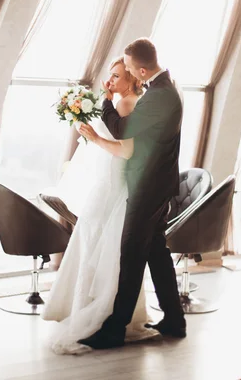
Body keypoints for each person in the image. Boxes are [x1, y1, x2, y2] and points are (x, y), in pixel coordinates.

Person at [42, 57, 156, 354]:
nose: (111, 81)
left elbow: (127, 152)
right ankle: (87, 308)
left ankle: (98, 312)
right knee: (93, 244)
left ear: (132, 79)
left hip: (113, 184)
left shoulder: (127, 105)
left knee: (101, 246)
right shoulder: (119, 102)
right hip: (105, 181)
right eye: (110, 75)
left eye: (117, 76)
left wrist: (93, 137)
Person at [78, 37, 185, 350]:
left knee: (132, 254)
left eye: (126, 67)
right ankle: (175, 320)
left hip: (149, 186)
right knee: (155, 252)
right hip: (156, 183)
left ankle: (114, 330)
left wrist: (107, 102)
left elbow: (123, 130)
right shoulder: (165, 87)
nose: (122, 70)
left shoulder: (161, 96)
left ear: (139, 70)